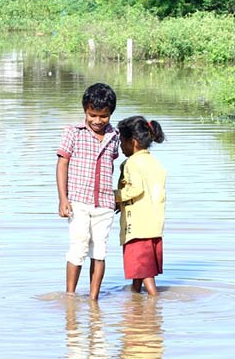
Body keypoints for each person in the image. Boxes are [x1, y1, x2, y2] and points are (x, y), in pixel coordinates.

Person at [57, 83, 120, 299]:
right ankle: (70, 296)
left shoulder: (114, 136)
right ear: (85, 111)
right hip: (78, 201)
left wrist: (116, 197)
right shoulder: (73, 133)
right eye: (93, 115)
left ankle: (94, 300)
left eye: (103, 116)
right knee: (78, 247)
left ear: (110, 114)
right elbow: (62, 164)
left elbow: (112, 166)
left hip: (104, 204)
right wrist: (63, 199)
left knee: (100, 251)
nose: (97, 121)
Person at [115, 116, 167, 295]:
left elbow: (135, 189)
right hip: (153, 227)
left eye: (122, 141)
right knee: (140, 271)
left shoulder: (131, 163)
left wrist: (114, 197)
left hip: (137, 228)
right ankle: (135, 298)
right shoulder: (155, 163)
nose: (120, 146)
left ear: (133, 142)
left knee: (145, 274)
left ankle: (154, 302)